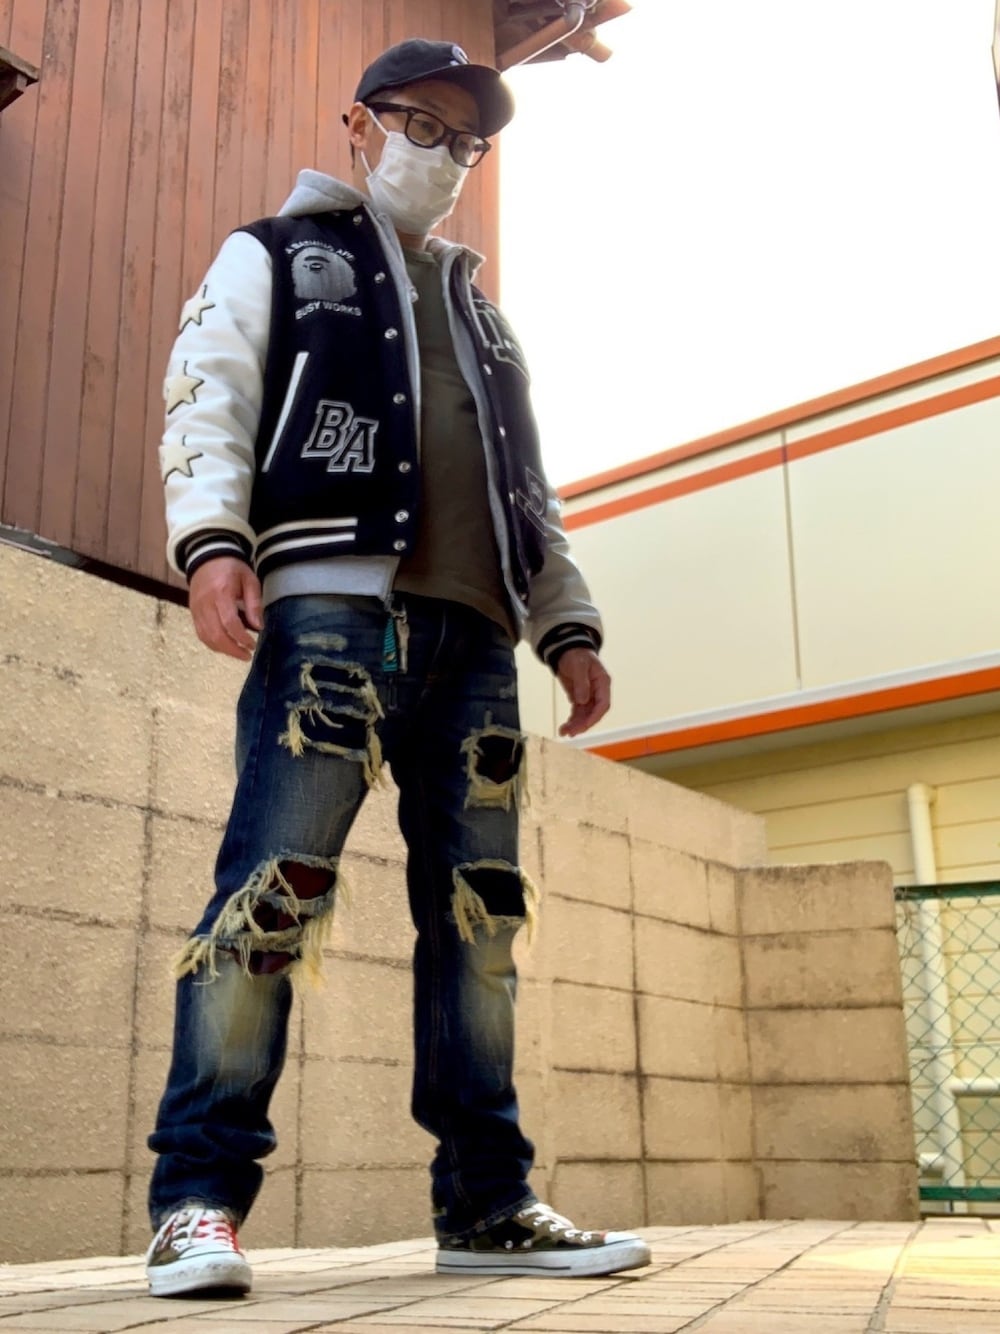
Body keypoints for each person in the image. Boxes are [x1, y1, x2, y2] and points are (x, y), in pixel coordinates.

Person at [146, 37, 651, 1299]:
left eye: (464, 139)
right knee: (267, 898)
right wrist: (213, 541)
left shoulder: (485, 313)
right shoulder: (275, 252)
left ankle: (487, 1201)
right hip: (330, 614)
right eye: (419, 125)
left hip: (480, 638)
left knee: (480, 923)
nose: (444, 153)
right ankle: (196, 1201)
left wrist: (567, 622)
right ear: (358, 124)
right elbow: (208, 391)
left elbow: (526, 485)